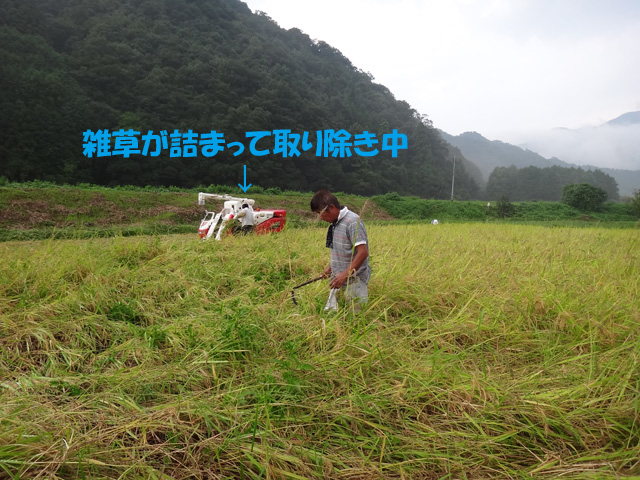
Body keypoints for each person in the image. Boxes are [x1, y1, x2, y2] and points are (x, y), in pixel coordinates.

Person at [310, 190, 370, 311]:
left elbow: (362, 253)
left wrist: (345, 275)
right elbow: (341, 250)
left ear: (331, 207)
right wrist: (330, 267)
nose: (320, 217)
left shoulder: (352, 221)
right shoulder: (335, 223)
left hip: (354, 281)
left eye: (321, 213)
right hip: (339, 279)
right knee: (339, 317)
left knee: (355, 318)